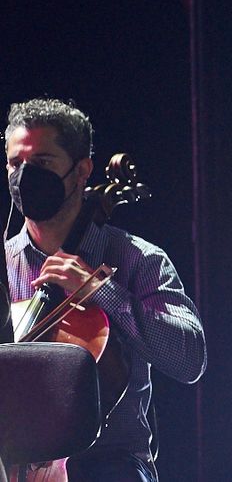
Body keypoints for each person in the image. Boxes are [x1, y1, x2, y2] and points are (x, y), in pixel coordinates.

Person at [4, 98, 207, 482]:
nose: (24, 177)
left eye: (42, 164)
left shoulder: (139, 260)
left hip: (109, 463)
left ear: (81, 171)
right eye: (15, 165)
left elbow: (188, 358)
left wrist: (103, 291)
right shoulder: (4, 265)